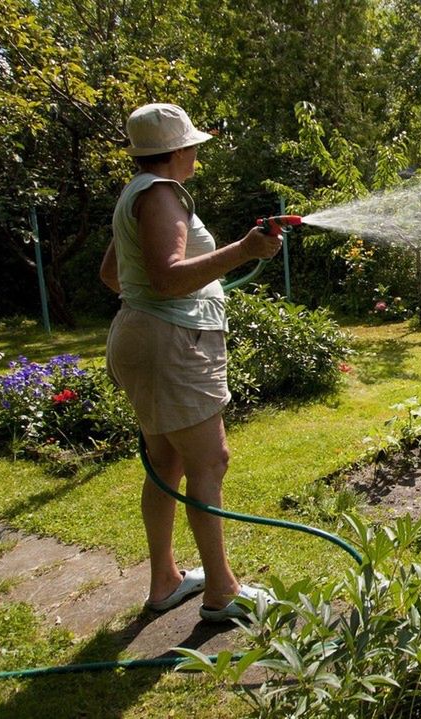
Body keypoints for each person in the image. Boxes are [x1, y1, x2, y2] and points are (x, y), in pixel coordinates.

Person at [100, 103, 281, 621]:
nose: (198, 151)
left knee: (166, 463)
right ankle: (222, 593)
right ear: (178, 150)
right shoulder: (159, 195)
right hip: (172, 346)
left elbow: (115, 275)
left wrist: (159, 304)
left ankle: (164, 582)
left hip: (148, 337)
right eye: (194, 144)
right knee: (209, 462)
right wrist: (245, 250)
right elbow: (168, 277)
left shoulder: (136, 194)